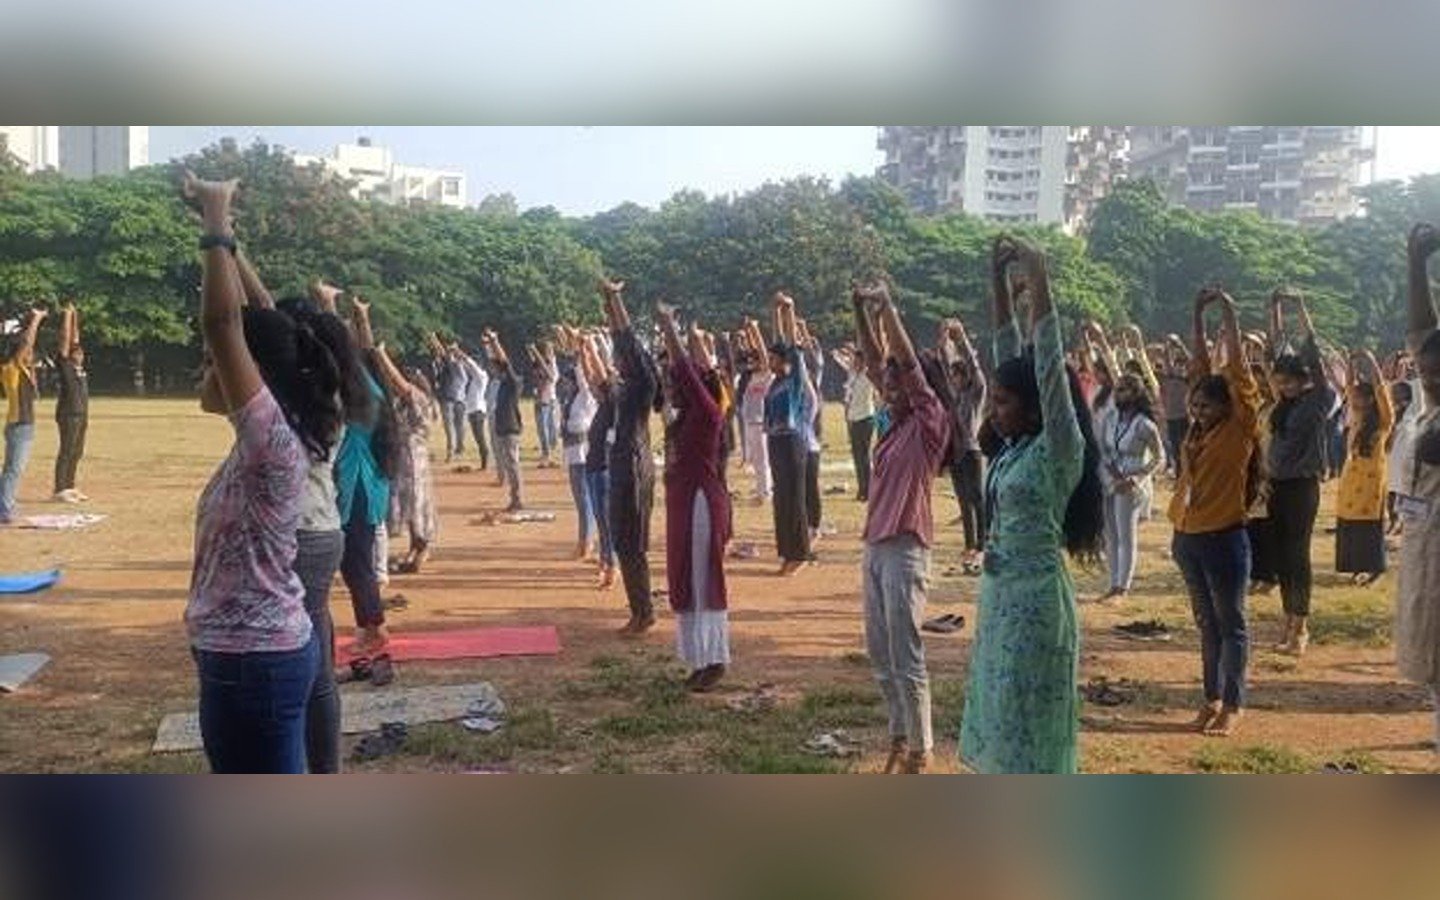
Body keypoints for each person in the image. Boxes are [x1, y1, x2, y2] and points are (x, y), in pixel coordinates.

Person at [181, 172, 342, 774]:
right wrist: (233, 246)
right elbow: (266, 323)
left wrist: (217, 224)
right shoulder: (278, 428)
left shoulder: (271, 439)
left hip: (255, 659)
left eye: (218, 364)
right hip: (244, 653)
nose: (210, 369)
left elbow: (226, 326)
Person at [960, 237, 1103, 774]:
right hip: (999, 599)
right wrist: (997, 282)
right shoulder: (1017, 447)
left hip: (1037, 606)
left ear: (1037, 405)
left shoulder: (1057, 449)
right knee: (999, 714)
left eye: (1002, 402)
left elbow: (1044, 363)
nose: (993, 412)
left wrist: (1039, 274)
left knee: (1030, 721)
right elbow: (1008, 352)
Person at [853, 283, 950, 774]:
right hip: (875, 545)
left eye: (895, 382)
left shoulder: (930, 420)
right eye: (885, 383)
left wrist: (889, 308)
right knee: (878, 649)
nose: (887, 387)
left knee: (906, 649)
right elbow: (876, 361)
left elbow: (906, 366)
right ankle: (897, 735)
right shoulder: (893, 424)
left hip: (907, 547)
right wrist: (859, 311)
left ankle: (921, 748)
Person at [1170, 286, 1261, 738]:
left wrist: (1229, 314)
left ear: (1229, 406)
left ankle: (1234, 702)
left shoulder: (1241, 427)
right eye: (1196, 404)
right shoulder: (1197, 429)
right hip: (1187, 537)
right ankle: (1211, 697)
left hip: (1224, 538)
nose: (1199, 409)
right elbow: (1199, 370)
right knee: (1206, 624)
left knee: (1231, 624)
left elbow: (1238, 374)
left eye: (1207, 405)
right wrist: (1195, 316)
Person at [656, 304, 733, 691]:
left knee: (704, 580)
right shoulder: (688, 417)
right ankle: (700, 658)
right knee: (687, 576)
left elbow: (687, 368)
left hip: (701, 504)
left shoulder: (707, 412)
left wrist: (670, 326)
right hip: (687, 504)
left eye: (674, 385)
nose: (670, 390)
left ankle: (714, 658)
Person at [1265, 288, 1337, 657]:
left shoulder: (1317, 402)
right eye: (1281, 380)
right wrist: (1275, 308)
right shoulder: (1282, 406)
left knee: (1298, 555)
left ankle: (1301, 627)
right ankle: (1286, 622)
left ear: (1304, 381)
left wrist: (1302, 307)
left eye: (1291, 380)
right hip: (1276, 485)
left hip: (1302, 487)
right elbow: (1276, 346)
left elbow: (1313, 353)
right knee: (1280, 557)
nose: (1284, 384)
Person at [1395, 223, 1440, 755]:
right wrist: (1415, 264)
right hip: (1425, 553)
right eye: (1427, 375)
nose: (1431, 381)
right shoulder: (1426, 408)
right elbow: (1419, 333)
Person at [601, 279, 660, 634]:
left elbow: (627, 341)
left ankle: (644, 612)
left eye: (621, 358)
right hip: (623, 465)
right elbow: (619, 341)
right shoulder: (627, 385)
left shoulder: (641, 385)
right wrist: (607, 306)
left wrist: (615, 298)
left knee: (632, 543)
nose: (616, 359)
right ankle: (639, 609)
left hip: (635, 468)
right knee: (623, 541)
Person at [339, 296, 395, 654]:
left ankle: (373, 628)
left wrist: (333, 314)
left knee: (356, 561)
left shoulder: (366, 396)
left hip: (358, 485)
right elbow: (365, 355)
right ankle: (370, 624)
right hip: (362, 484)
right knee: (355, 560)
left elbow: (348, 356)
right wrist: (361, 317)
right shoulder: (373, 391)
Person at [1095, 366, 1164, 601]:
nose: (1117, 395)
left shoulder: (1144, 425)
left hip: (1131, 483)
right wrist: (1110, 470)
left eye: (1123, 390)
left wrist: (1137, 478)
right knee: (1110, 535)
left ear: (1135, 394)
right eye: (1116, 390)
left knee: (1126, 535)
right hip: (1109, 478)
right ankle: (1112, 582)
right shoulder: (1111, 418)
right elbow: (1102, 447)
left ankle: (1123, 586)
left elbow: (1159, 458)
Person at [763, 293, 813, 576]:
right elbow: (778, 339)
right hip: (775, 441)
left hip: (792, 442)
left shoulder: (794, 377)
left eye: (773, 358)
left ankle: (800, 553)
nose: (769, 361)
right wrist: (773, 310)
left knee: (794, 497)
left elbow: (791, 344)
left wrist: (789, 310)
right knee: (781, 497)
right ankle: (786, 552)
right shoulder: (775, 382)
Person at [1335, 351, 1394, 586]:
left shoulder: (1383, 421)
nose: (1355, 400)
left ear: (1371, 400)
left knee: (1369, 525)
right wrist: (1350, 363)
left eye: (1361, 397)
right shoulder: (1357, 415)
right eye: (1355, 398)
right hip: (1351, 480)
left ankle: (1375, 568)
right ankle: (1357, 566)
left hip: (1371, 484)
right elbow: (1349, 387)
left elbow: (1381, 390)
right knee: (1350, 521)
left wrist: (1371, 361)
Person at [942, 317, 988, 573]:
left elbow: (975, 367)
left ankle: (983, 543)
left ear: (965, 377)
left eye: (957, 376)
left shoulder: (975, 393)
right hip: (957, 451)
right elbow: (945, 362)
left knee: (977, 498)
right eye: (952, 376)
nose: (954, 379)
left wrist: (961, 340)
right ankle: (969, 543)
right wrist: (946, 342)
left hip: (972, 449)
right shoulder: (955, 397)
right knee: (962, 499)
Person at [578, 329, 619, 589]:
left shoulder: (615, 401)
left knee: (606, 520)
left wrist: (592, 347)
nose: (595, 387)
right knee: (599, 517)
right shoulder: (603, 403)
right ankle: (605, 561)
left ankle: (612, 565)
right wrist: (582, 350)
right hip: (593, 466)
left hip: (605, 467)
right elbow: (592, 377)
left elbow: (601, 376)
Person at [557, 327, 599, 560]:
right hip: (573, 452)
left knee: (584, 500)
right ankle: (586, 540)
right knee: (581, 500)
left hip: (583, 453)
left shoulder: (585, 396)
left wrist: (581, 348)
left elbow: (583, 375)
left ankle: (585, 543)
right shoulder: (571, 399)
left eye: (568, 381)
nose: (565, 384)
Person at [1, 306, 45, 525]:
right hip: (19, 425)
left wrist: (31, 322)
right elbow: (28, 343)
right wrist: (36, 320)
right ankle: (4, 509)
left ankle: (5, 504)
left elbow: (29, 346)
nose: (30, 355)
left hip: (23, 426)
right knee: (14, 470)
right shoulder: (10, 368)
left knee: (13, 469)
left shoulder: (23, 371)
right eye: (27, 353)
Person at [51, 303, 89, 503]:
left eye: (81, 352)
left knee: (77, 450)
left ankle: (70, 485)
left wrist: (75, 315)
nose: (79, 354)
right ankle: (59, 488)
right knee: (66, 450)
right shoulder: (65, 365)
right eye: (76, 352)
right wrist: (67, 315)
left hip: (81, 414)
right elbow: (67, 340)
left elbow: (75, 338)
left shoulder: (80, 369)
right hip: (68, 414)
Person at [484, 330, 526, 512]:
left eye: (495, 368)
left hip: (510, 428)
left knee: (513, 464)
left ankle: (517, 499)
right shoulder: (502, 383)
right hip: (503, 428)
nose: (492, 370)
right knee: (509, 465)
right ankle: (514, 497)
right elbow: (498, 363)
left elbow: (504, 362)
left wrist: (494, 341)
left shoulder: (512, 382)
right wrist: (488, 346)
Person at [834, 343, 877, 503]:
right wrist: (841, 353)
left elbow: (876, 364)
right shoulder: (853, 374)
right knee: (857, 457)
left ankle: (869, 489)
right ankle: (861, 489)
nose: (855, 364)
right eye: (855, 361)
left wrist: (854, 351)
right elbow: (843, 362)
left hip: (865, 418)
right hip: (853, 420)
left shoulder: (868, 376)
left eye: (859, 361)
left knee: (864, 456)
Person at [738, 325, 774, 506]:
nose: (751, 363)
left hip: (760, 422)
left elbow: (762, 352)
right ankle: (762, 489)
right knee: (756, 459)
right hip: (750, 421)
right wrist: (750, 335)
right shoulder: (754, 376)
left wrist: (755, 330)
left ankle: (764, 493)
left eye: (755, 360)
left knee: (762, 460)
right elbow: (755, 351)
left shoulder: (767, 375)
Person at [432, 335, 469, 463]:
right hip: (453, 398)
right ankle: (458, 448)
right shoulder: (452, 366)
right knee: (457, 426)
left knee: (449, 426)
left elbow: (442, 353)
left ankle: (451, 451)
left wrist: (434, 339)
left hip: (448, 397)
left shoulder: (450, 364)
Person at [530, 342, 560, 469]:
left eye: (549, 351)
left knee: (545, 428)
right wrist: (531, 352)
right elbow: (536, 363)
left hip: (547, 400)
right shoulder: (540, 365)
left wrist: (535, 351)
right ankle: (548, 451)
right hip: (541, 400)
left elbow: (549, 375)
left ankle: (547, 454)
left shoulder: (552, 365)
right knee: (544, 428)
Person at [460, 345, 490, 471]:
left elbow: (471, 365)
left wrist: (460, 353)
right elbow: (468, 366)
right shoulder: (474, 378)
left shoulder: (481, 375)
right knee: (478, 438)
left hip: (478, 411)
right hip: (473, 410)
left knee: (480, 438)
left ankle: (485, 462)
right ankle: (484, 461)